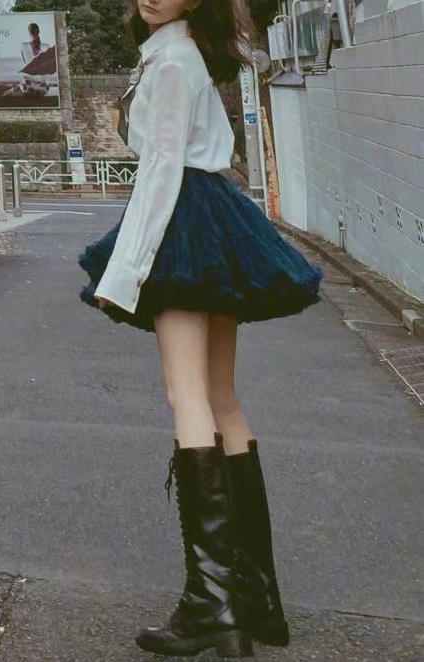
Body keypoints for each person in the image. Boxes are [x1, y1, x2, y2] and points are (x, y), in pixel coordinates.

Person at [78, 0, 323, 657]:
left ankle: (211, 602)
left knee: (186, 395)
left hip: (180, 223)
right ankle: (253, 596)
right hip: (215, 216)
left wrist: (125, 275)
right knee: (221, 398)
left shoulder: (170, 63)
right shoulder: (185, 55)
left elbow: (159, 172)